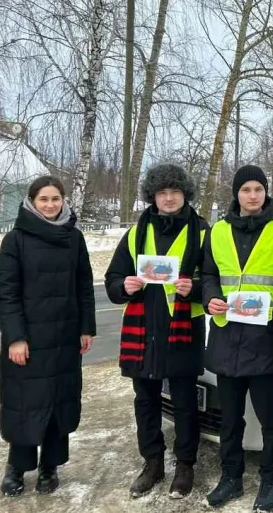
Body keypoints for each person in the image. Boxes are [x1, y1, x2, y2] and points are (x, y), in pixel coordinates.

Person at [104, 163, 208, 499]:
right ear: (153, 195)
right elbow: (112, 280)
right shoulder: (136, 233)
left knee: (184, 402)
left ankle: (185, 465)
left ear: (184, 194)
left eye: (175, 192)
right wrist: (124, 285)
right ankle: (152, 463)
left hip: (183, 331)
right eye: (162, 192)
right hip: (143, 330)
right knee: (145, 401)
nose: (168, 198)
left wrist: (193, 289)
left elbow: (213, 283)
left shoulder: (203, 232)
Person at [202, 165, 273, 512]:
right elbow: (209, 274)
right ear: (236, 194)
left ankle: (270, 480)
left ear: (266, 192)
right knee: (230, 420)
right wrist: (209, 297)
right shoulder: (216, 232)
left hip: (264, 344)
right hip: (226, 341)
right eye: (246, 189)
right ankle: (231, 478)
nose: (252, 195)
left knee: (271, 420)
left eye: (258, 188)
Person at [0, 176, 97, 496]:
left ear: (64, 201)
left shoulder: (74, 238)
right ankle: (16, 466)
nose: (50, 205)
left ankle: (49, 467)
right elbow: (6, 294)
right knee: (25, 404)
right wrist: (15, 338)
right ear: (32, 202)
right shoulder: (16, 240)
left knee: (58, 403)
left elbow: (84, 286)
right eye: (44, 199)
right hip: (28, 340)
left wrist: (86, 328)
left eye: (56, 199)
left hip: (65, 338)